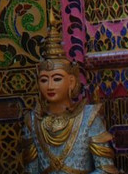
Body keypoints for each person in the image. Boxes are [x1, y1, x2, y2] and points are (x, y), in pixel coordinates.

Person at [21, 21, 118, 174]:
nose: (50, 86)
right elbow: (31, 170)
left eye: (57, 79)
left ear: (71, 81)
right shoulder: (32, 122)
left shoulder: (89, 118)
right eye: (44, 80)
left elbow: (105, 168)